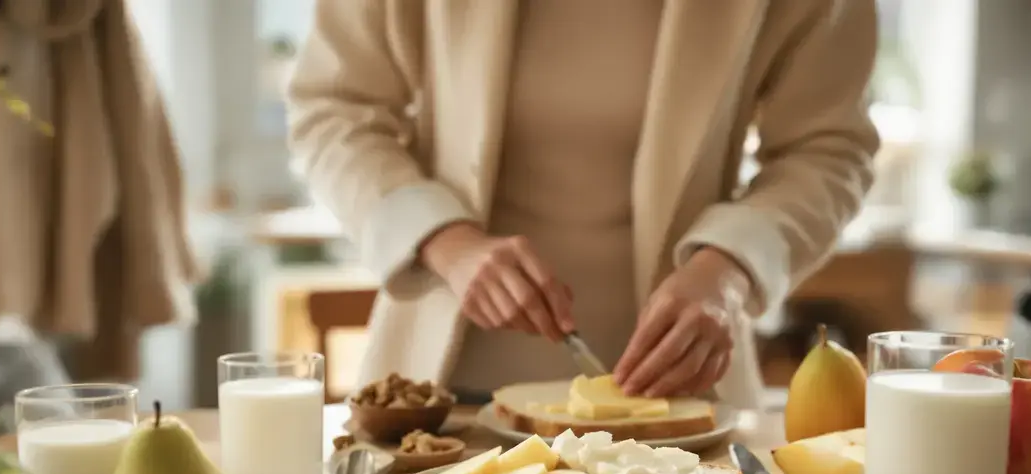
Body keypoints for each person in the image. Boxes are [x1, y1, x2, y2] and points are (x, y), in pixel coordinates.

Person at [287, 0, 879, 409]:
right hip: (445, 399)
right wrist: (447, 242)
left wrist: (726, 270)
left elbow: (828, 149)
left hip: (684, 410)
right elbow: (333, 112)